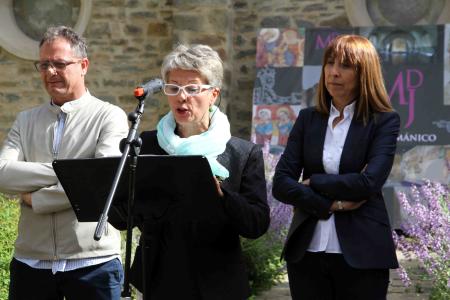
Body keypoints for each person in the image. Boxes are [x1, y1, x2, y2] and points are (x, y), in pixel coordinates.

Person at [117, 44, 270, 300]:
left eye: (192, 88)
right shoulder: (147, 144)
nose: (181, 96)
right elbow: (123, 219)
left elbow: (256, 224)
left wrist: (223, 195)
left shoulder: (242, 153)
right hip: (159, 279)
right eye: (174, 88)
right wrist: (123, 189)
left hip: (217, 283)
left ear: (213, 94)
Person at [0, 26, 128, 299]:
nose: (50, 72)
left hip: (93, 263)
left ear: (83, 66)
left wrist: (37, 198)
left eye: (59, 63)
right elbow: (2, 174)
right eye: (44, 64)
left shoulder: (109, 116)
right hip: (30, 262)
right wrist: (71, 173)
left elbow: (100, 180)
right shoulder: (25, 120)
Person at [272, 34, 400, 300]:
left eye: (345, 65)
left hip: (363, 252)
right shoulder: (308, 119)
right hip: (306, 251)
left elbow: (369, 183)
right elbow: (282, 184)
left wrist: (314, 182)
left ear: (364, 73)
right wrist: (332, 205)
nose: (334, 72)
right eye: (330, 63)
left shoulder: (384, 122)